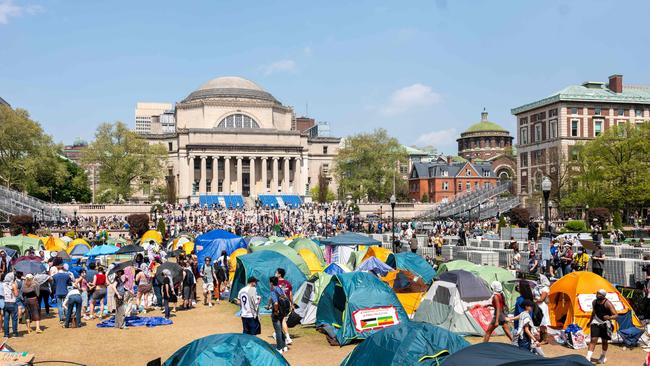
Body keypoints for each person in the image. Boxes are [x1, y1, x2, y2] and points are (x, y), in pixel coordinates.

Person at [586, 289, 618, 364]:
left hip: (606, 323)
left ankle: (603, 356)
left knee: (604, 341)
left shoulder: (608, 303)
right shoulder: (594, 302)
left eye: (599, 294)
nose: (597, 295)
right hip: (596, 322)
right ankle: (588, 357)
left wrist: (609, 317)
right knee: (593, 339)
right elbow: (593, 313)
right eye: (597, 294)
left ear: (603, 296)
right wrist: (589, 322)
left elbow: (616, 315)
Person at [269, 276, 288, 353]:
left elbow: (276, 303)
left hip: (277, 312)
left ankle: (279, 348)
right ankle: (284, 346)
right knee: (280, 329)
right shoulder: (280, 289)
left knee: (278, 331)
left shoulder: (273, 290)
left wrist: (276, 311)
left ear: (271, 283)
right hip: (283, 311)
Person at [276, 268, 293, 345]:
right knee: (281, 319)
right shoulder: (288, 283)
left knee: (281, 320)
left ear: (279, 274)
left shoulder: (275, 283)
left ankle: (287, 337)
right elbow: (290, 294)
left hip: (279, 303)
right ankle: (279, 333)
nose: (275, 273)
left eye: (276, 272)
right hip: (287, 303)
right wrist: (292, 304)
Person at [533, 275, 550, 344]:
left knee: (543, 322)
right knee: (539, 321)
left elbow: (542, 299)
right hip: (537, 305)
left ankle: (545, 339)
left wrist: (534, 301)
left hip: (542, 306)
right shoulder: (536, 287)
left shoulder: (545, 288)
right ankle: (541, 338)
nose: (538, 280)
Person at [2, 273, 18, 338]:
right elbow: (16, 294)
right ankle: (14, 333)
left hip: (5, 302)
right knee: (14, 319)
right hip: (12, 303)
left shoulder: (3, 284)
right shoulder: (13, 284)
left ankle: (6, 334)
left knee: (6, 319)